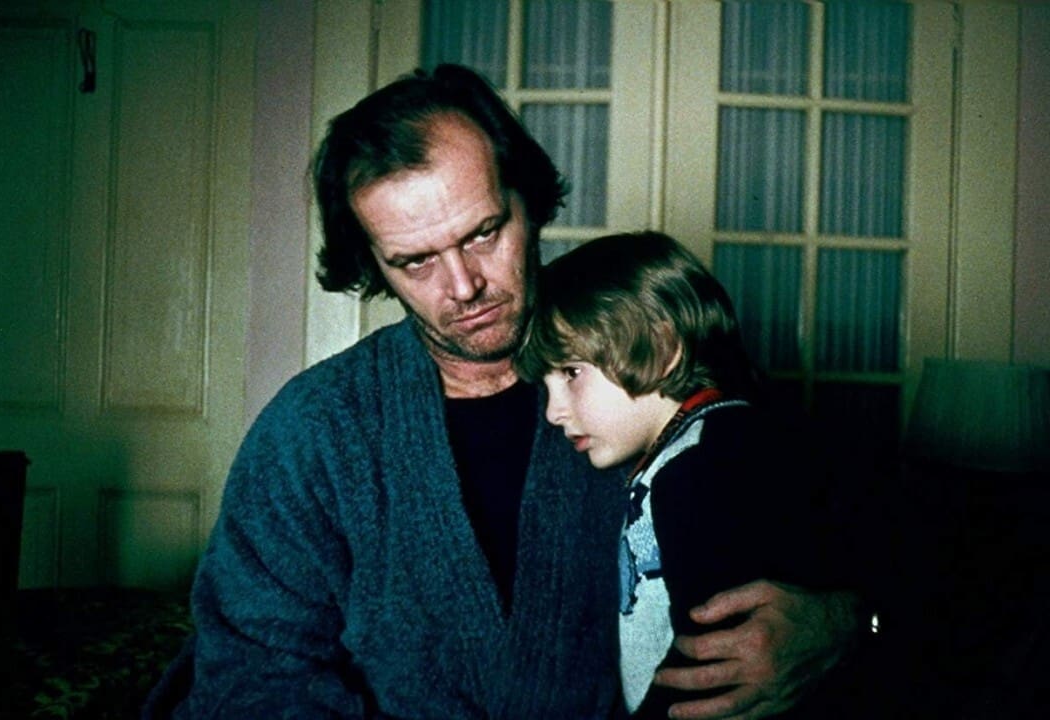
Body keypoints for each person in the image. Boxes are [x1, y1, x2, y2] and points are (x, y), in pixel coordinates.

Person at [154, 63, 864, 719]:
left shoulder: (656, 367)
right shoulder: (314, 432)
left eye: (484, 233)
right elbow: (252, 672)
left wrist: (848, 623)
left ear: (530, 202)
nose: (463, 286)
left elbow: (869, 540)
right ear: (371, 263)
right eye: (415, 261)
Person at [514, 231, 854, 719]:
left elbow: (714, 662)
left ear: (661, 347)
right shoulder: (686, 451)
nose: (554, 412)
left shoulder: (702, 467)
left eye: (570, 373)